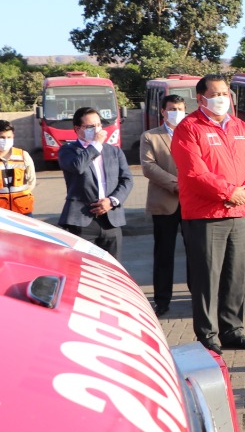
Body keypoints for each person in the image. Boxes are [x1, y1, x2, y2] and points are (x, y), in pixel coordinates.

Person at [172, 74, 245, 354]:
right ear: (201, 98)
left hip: (238, 212)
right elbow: (194, 172)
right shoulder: (189, 128)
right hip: (205, 215)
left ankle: (233, 330)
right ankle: (207, 335)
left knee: (237, 275)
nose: (223, 98)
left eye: (226, 93)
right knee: (207, 278)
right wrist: (228, 192)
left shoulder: (238, 126)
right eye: (216, 94)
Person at [58, 107, 132, 259]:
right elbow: (78, 167)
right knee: (84, 269)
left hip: (111, 219)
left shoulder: (114, 151)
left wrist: (112, 201)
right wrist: (95, 145)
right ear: (77, 129)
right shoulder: (68, 150)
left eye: (99, 125)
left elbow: (127, 179)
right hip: (82, 221)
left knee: (113, 270)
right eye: (91, 126)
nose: (97, 130)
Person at [141, 95, 187, 317]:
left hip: (193, 202)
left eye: (179, 108)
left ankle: (198, 295)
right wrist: (177, 184)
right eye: (171, 109)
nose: (176, 112)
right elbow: (148, 166)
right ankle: (162, 300)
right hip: (165, 202)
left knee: (197, 252)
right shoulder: (150, 136)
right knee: (163, 254)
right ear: (163, 111)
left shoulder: (193, 132)